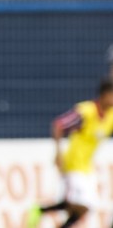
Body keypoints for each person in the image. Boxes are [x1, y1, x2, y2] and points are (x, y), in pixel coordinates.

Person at [26, 79, 113, 228]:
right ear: (104, 95)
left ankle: (40, 210)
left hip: (86, 166)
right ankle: (38, 210)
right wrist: (58, 153)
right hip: (72, 164)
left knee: (83, 206)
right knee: (81, 204)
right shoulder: (86, 112)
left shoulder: (110, 116)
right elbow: (59, 125)